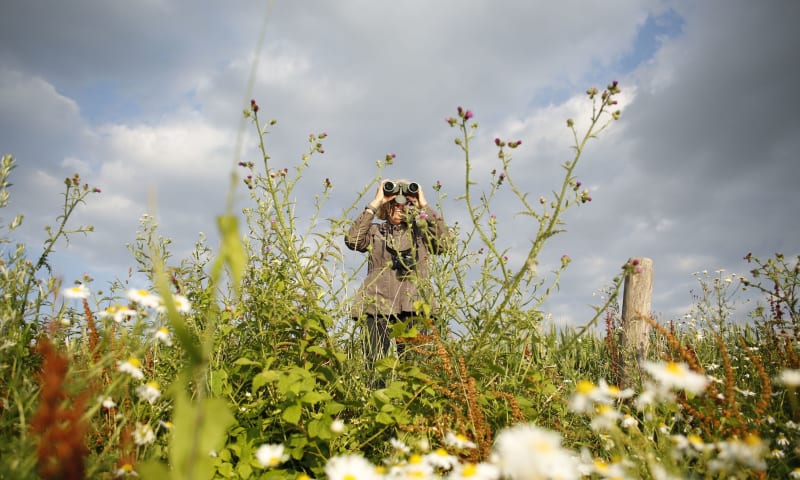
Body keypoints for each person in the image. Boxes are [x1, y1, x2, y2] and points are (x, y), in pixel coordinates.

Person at [344, 178, 449, 368]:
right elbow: (353, 240)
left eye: (406, 203)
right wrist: (375, 203)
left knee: (416, 367)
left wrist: (423, 205)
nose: (399, 207)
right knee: (375, 365)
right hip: (377, 305)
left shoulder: (422, 232)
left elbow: (444, 244)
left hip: (415, 305)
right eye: (393, 203)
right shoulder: (375, 231)